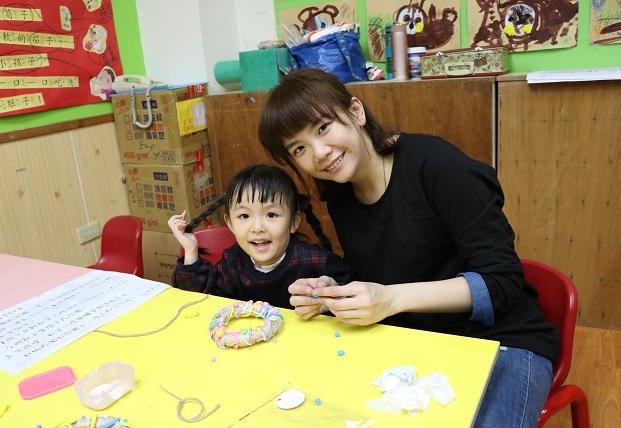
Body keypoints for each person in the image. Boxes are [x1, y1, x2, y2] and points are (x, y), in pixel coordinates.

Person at [257, 68, 559, 427]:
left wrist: (391, 298)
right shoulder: (340, 191)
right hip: (414, 338)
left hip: (503, 341)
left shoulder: (437, 165)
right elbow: (378, 270)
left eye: (323, 128)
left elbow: (502, 282)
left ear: (356, 112)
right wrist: (332, 292)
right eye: (299, 148)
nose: (319, 153)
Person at [168, 164, 354, 310]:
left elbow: (351, 290)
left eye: (271, 215)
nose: (257, 228)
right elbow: (200, 298)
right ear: (230, 224)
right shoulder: (232, 262)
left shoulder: (315, 261)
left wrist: (328, 299)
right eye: (244, 216)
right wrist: (191, 251)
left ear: (294, 221)